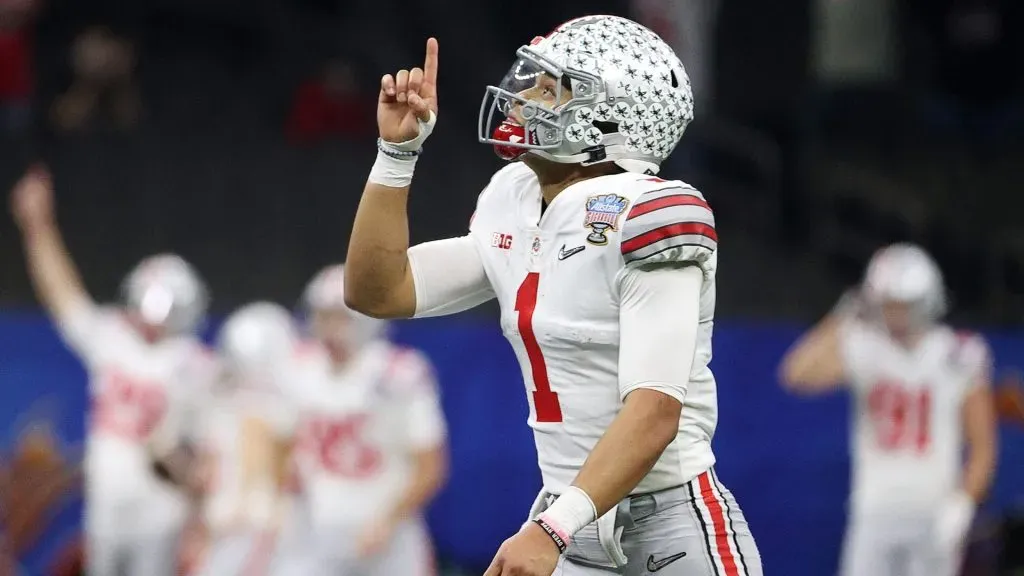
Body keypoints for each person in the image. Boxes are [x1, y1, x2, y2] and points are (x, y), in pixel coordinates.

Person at [344, 14, 762, 576]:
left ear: (610, 119)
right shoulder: (515, 197)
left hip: (665, 523)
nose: (521, 99)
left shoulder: (649, 212)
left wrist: (550, 530)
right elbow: (378, 290)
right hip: (567, 522)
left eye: (550, 89)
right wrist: (397, 155)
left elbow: (655, 410)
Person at [10, 167, 214, 576]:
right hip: (106, 512)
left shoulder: (196, 365)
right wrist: (38, 227)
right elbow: (63, 295)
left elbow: (209, 460)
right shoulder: (114, 341)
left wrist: (196, 503)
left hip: (161, 518)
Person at [779, 243, 998, 576]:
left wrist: (963, 505)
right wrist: (845, 313)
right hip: (875, 507)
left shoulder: (959, 352)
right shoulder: (866, 344)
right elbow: (796, 374)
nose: (896, 314)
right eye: (889, 304)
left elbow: (983, 446)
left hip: (935, 505)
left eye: (905, 305)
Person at [268, 264, 448, 576]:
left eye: (339, 317)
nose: (329, 329)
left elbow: (430, 466)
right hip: (314, 534)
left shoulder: (398, 374)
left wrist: (388, 521)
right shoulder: (297, 369)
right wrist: (285, 497)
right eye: (323, 317)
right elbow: (279, 448)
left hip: (387, 535)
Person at [189, 302, 298, 576]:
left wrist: (246, 506)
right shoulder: (220, 403)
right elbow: (206, 472)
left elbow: (272, 467)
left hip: (251, 525)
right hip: (232, 524)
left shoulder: (276, 408)